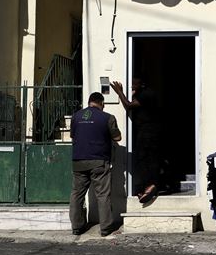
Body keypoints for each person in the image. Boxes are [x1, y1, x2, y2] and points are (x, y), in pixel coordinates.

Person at [70, 92, 121, 237]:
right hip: (99, 161)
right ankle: (105, 228)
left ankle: (76, 227)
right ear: (101, 103)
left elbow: (73, 136)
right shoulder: (107, 117)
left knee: (77, 194)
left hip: (78, 161)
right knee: (103, 194)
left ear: (89, 102)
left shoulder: (76, 116)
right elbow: (117, 137)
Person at [111, 77, 163, 203]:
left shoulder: (146, 95)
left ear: (142, 84)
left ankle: (150, 186)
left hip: (148, 132)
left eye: (135, 84)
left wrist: (119, 92)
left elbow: (129, 106)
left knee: (145, 159)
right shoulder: (144, 94)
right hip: (147, 131)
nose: (132, 86)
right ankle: (145, 187)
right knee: (144, 159)